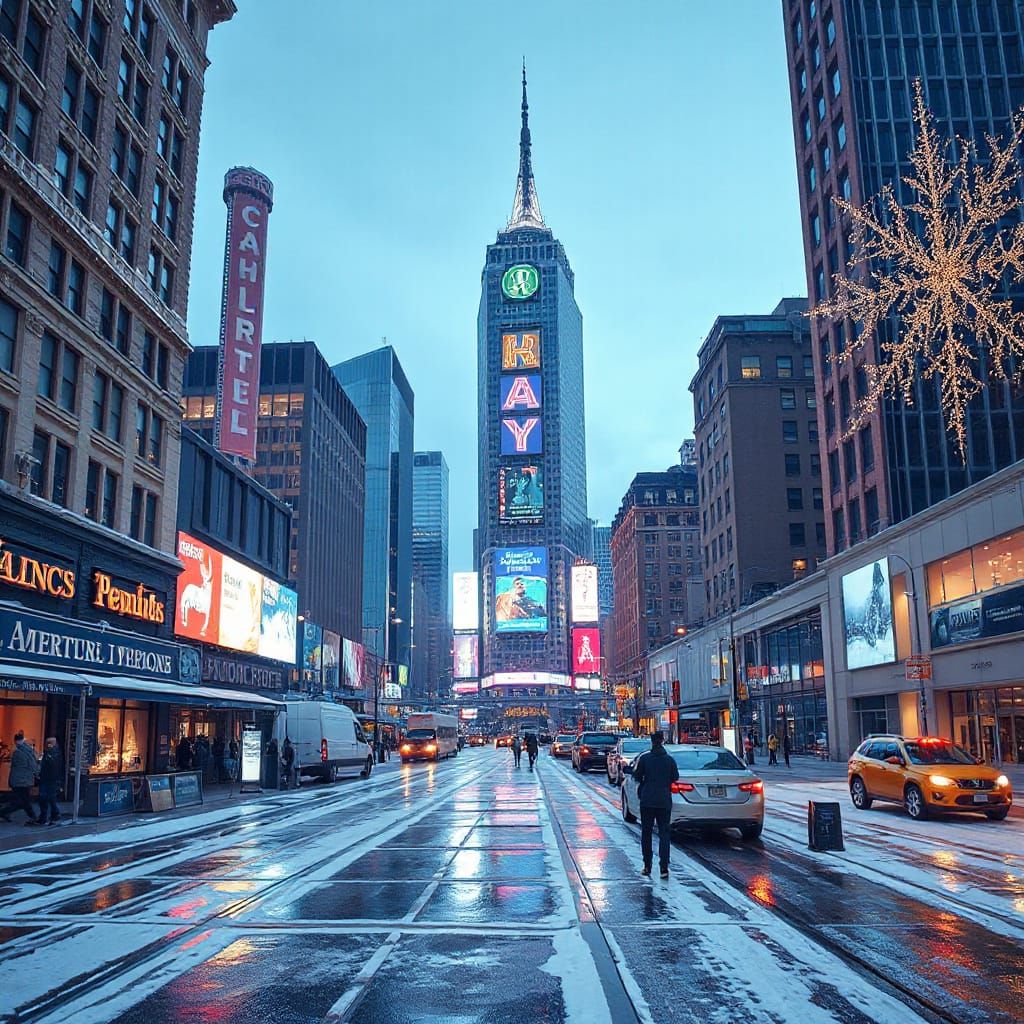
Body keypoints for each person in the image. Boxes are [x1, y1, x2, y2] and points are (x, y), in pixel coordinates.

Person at [632, 730, 679, 879]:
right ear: (662, 741)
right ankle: (664, 868)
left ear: (652, 742)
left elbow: (637, 776)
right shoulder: (669, 760)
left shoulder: (645, 759)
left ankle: (647, 866)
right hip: (664, 800)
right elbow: (675, 777)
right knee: (664, 833)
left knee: (646, 833)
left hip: (647, 800)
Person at [0, 731, 40, 824]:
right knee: (23, 800)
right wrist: (37, 773)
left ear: (16, 741)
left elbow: (18, 767)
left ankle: (4, 812)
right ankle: (32, 816)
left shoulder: (18, 753)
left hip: (19, 780)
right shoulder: (29, 751)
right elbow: (32, 765)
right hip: (25, 780)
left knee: (22, 801)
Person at [36, 737, 63, 825]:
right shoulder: (54, 753)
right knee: (50, 797)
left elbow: (50, 767)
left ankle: (47, 816)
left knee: (44, 797)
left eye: (49, 743)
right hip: (51, 779)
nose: (48, 745)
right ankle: (54, 814)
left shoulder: (51, 754)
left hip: (48, 779)